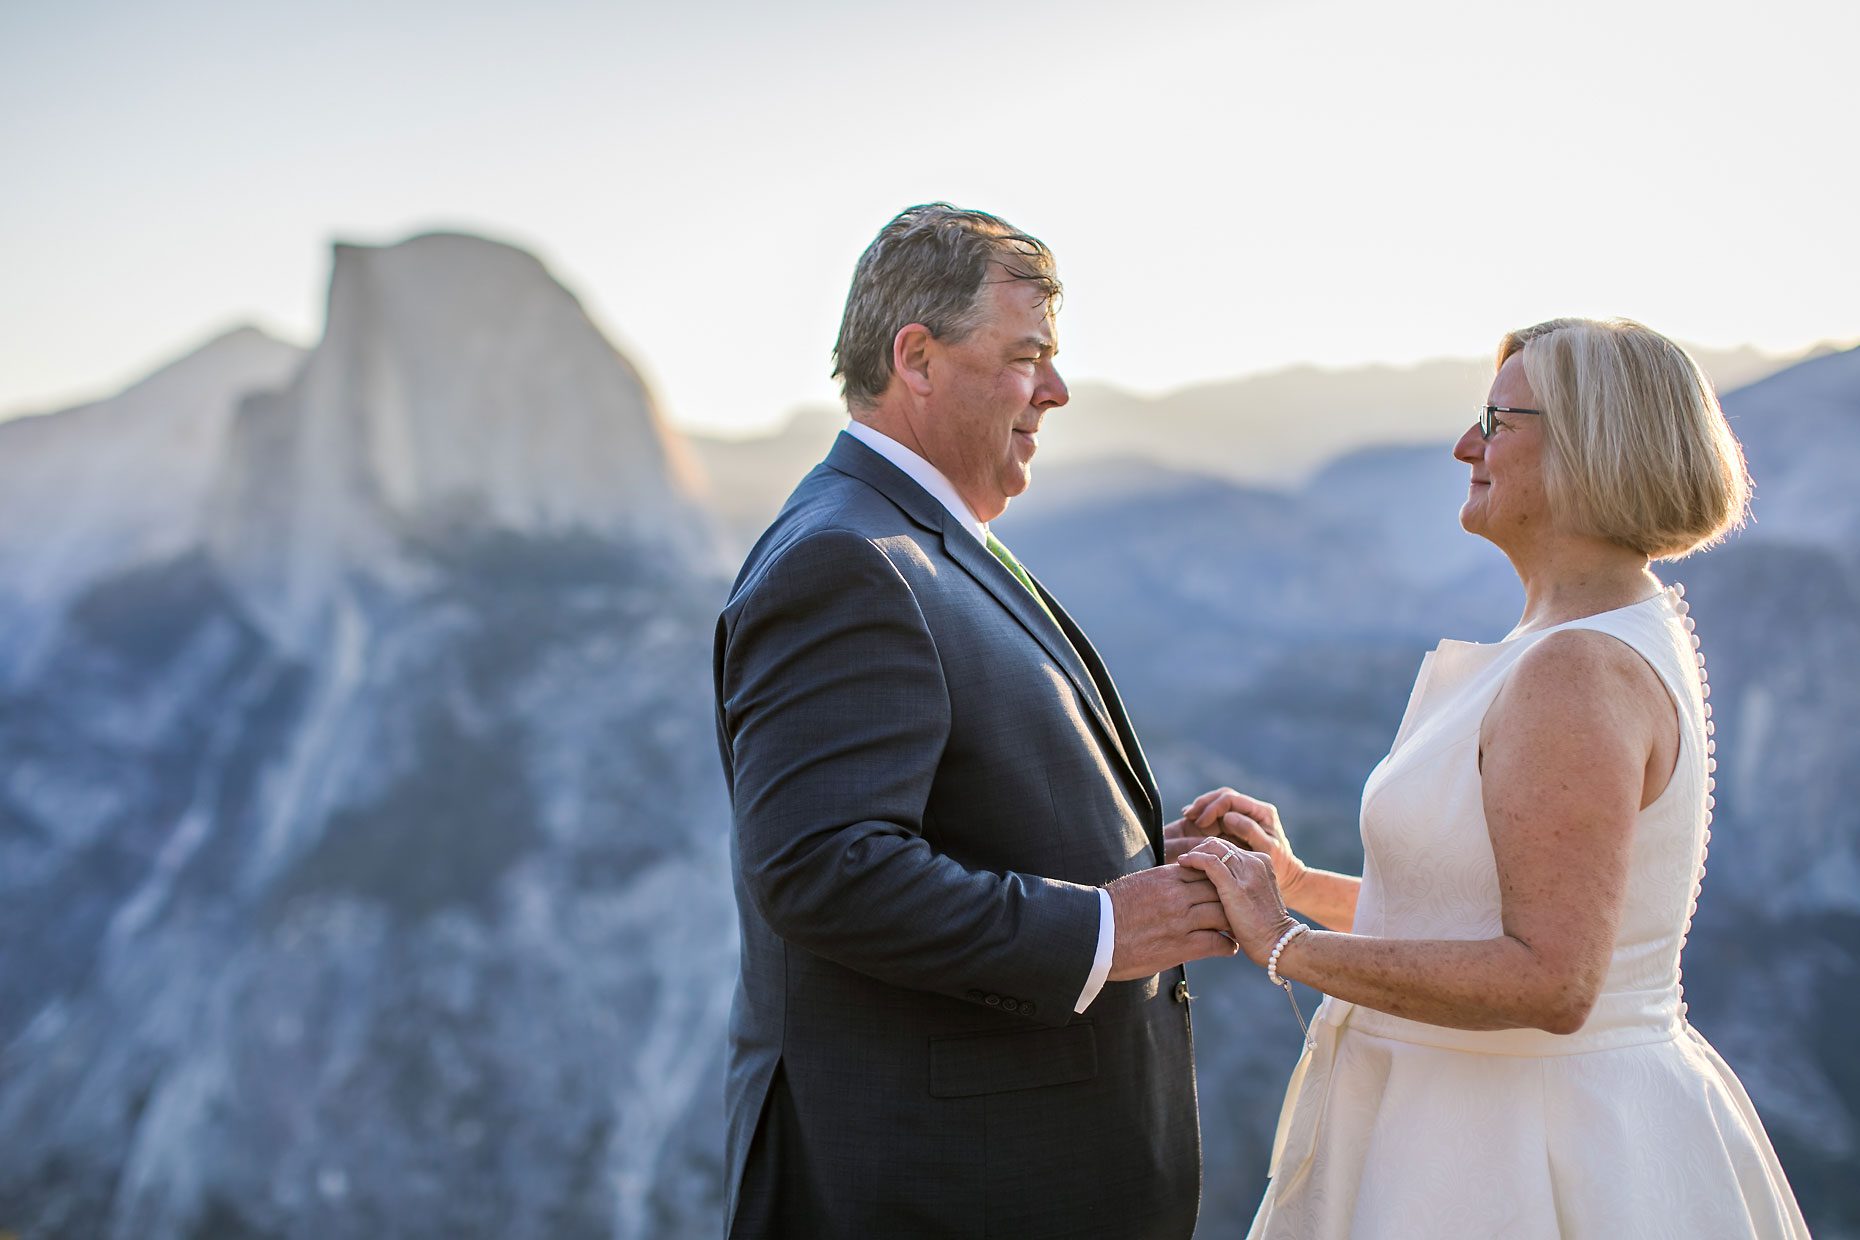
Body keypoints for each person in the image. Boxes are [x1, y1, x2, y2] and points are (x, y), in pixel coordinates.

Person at [1172, 318, 1811, 1238]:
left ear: (1592, 447)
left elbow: (1550, 980)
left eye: (1498, 419)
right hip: (1507, 1115)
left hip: (1513, 1149)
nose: (1466, 444)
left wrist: (1286, 943)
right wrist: (1303, 886)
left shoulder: (1576, 669)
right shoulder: (1590, 637)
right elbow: (1487, 913)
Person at [712, 203, 1234, 1239]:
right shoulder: (846, 558)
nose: (1056, 390)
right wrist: (1103, 929)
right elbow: (823, 865)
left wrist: (1137, 856)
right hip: (933, 1190)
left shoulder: (925, 533)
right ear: (917, 357)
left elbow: (960, 804)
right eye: (1026, 356)